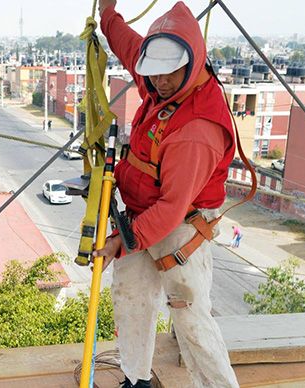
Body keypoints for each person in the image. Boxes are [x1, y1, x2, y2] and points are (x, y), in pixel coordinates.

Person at [92, 1, 239, 387]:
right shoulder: (166, 82)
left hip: (181, 226)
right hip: (141, 218)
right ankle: (136, 379)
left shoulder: (198, 128)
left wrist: (119, 243)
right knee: (131, 298)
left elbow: (172, 208)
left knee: (190, 317)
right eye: (153, 73)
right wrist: (108, 16)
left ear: (191, 63)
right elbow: (129, 47)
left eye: (166, 74)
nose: (158, 82)